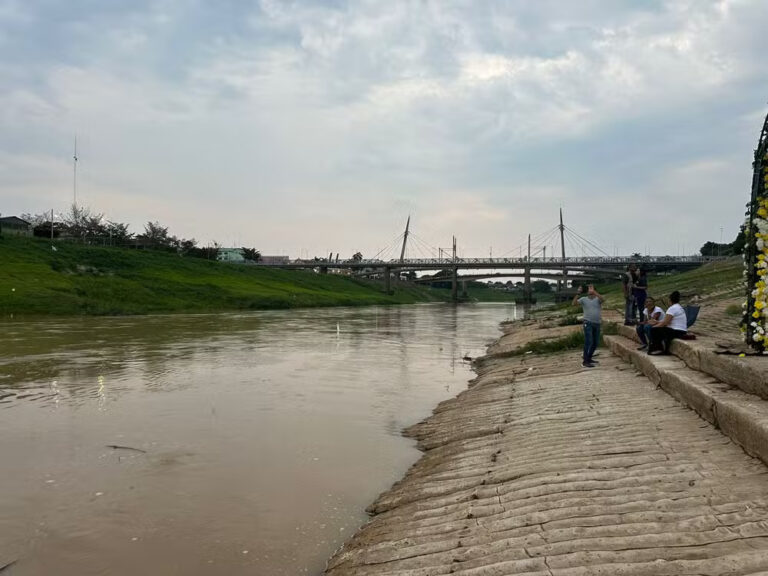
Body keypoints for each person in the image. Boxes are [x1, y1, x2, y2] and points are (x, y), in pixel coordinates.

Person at [572, 284, 604, 368]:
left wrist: (595, 292)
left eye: (592, 288)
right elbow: (574, 303)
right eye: (589, 288)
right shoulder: (583, 299)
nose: (590, 290)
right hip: (588, 322)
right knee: (588, 341)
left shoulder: (598, 299)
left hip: (597, 323)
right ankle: (585, 361)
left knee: (595, 343)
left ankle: (589, 358)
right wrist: (578, 293)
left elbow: (603, 299)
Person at [649, 290, 687, 355]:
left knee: (654, 330)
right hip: (682, 331)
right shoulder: (679, 307)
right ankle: (661, 348)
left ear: (670, 300)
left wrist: (655, 326)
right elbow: (668, 321)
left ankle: (659, 349)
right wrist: (658, 322)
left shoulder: (672, 308)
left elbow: (665, 323)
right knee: (659, 329)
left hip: (676, 331)